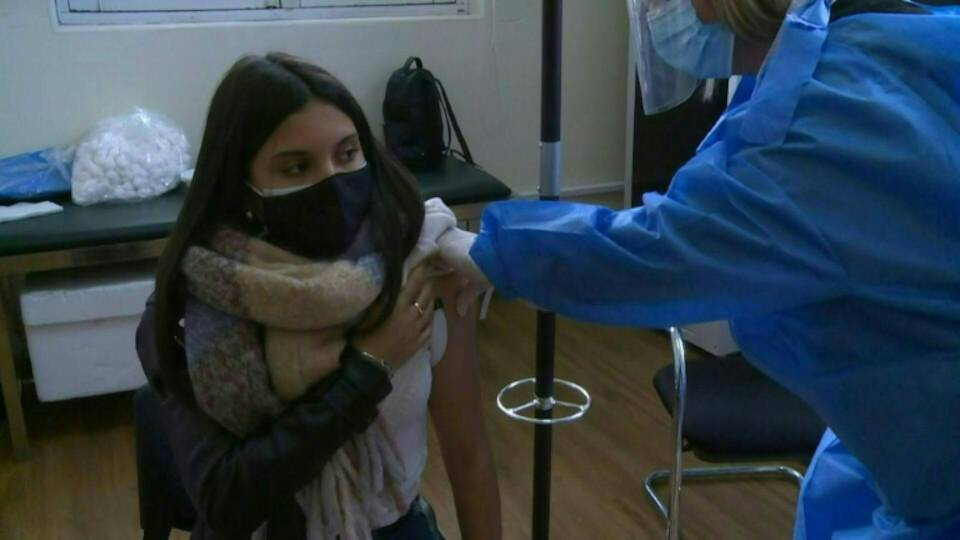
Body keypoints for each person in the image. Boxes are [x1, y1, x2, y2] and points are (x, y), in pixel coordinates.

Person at [439, 0, 960, 538]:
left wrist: (486, 251)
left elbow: (656, 254)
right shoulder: (894, 42)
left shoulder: (828, 127)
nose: (657, 15)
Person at [136, 52, 501, 540]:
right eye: (295, 167)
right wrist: (370, 365)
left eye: (347, 154)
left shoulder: (418, 270)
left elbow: (470, 457)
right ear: (242, 186)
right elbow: (227, 499)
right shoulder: (195, 307)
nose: (331, 180)